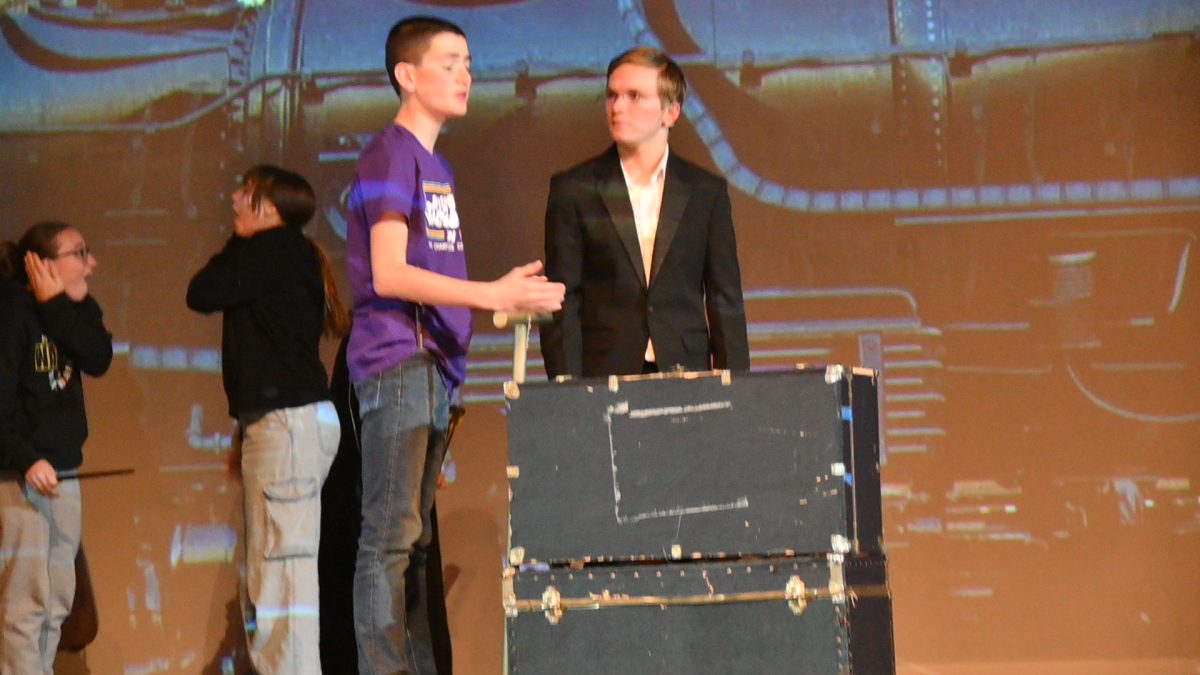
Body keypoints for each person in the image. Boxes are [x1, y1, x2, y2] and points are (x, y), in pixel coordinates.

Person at [344, 16, 563, 674]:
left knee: (412, 542)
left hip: (432, 369)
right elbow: (388, 272)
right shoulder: (390, 152)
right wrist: (489, 294)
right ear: (406, 76)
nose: (465, 74)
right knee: (388, 536)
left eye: (468, 62)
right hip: (396, 360)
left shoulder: (434, 164)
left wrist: (497, 295)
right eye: (448, 62)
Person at [186, 164, 347, 674]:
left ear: (270, 208)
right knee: (272, 576)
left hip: (287, 427)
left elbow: (202, 291)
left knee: (282, 582)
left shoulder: (269, 251)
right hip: (284, 425)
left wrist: (240, 238)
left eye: (246, 193)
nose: (234, 198)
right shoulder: (288, 254)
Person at [542, 46, 750, 378]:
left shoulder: (704, 191)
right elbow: (563, 301)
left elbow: (725, 299)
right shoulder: (574, 188)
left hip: (685, 373)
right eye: (612, 96)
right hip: (604, 374)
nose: (617, 107)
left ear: (671, 112)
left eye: (634, 96)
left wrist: (738, 391)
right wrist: (568, 391)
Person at [0, 221, 112, 674]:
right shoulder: (10, 314)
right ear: (41, 265)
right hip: (19, 478)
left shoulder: (74, 310)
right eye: (79, 252)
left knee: (57, 604)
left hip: (65, 476)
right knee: (24, 607)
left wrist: (57, 305)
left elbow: (98, 357)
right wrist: (27, 459)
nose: (92, 262)